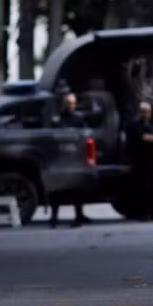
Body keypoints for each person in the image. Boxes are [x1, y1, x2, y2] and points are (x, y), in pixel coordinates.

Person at [49, 92, 92, 228]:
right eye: (68, 103)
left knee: (77, 190)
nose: (71, 106)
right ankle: (54, 218)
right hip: (60, 159)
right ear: (64, 104)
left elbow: (85, 136)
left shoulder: (79, 118)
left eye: (73, 103)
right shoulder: (57, 119)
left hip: (75, 159)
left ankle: (79, 216)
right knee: (57, 191)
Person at [124, 102, 153, 220]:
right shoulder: (133, 125)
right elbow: (144, 137)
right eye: (145, 112)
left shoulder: (149, 126)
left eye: (149, 112)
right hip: (140, 162)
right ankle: (143, 213)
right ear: (140, 112)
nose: (147, 115)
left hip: (152, 162)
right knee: (142, 188)